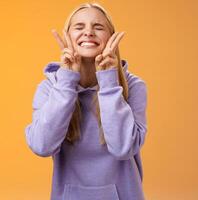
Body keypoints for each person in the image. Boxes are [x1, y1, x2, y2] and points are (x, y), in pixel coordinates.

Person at [24, 3, 148, 200]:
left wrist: (108, 80)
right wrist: (66, 81)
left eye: (98, 27)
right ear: (67, 37)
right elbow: (42, 146)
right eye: (79, 27)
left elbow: (123, 147)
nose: (88, 32)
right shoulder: (50, 88)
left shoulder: (133, 87)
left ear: (111, 37)